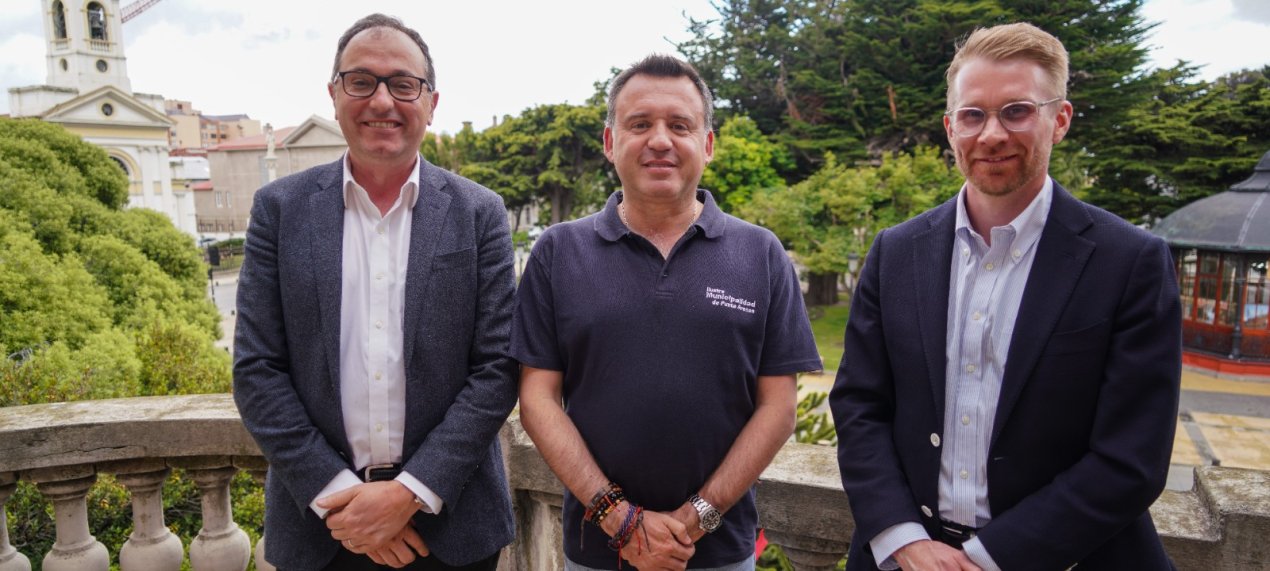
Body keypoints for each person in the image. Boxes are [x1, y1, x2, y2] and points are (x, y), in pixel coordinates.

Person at [830, 22, 1182, 571]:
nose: (991, 134)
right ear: (950, 127)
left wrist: (989, 558)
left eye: (1016, 111)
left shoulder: (1131, 262)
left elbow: (1131, 458)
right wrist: (905, 540)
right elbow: (859, 407)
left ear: (1059, 120)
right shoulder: (894, 252)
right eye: (973, 115)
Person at [512, 54, 823, 571]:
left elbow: (778, 407)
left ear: (708, 144)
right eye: (639, 124)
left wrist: (698, 516)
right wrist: (618, 518)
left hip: (719, 552)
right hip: (595, 554)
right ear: (610, 142)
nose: (660, 140)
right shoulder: (559, 251)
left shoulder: (761, 253)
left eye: (680, 125)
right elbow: (537, 399)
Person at [233, 13, 517, 571]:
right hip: (321, 528)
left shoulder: (480, 212)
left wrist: (409, 493)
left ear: (431, 103)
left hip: (453, 527)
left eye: (403, 84)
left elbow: (498, 367)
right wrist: (343, 499)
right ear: (334, 95)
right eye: (361, 81)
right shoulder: (280, 210)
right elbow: (256, 369)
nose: (382, 101)